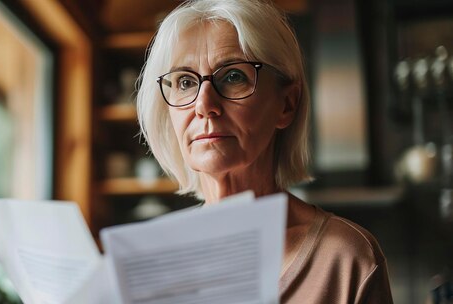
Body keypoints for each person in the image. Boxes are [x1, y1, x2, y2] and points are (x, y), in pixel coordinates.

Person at [135, 0, 394, 302]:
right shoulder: (152, 261)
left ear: (286, 104)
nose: (204, 105)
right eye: (184, 82)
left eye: (233, 76)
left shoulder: (347, 258)